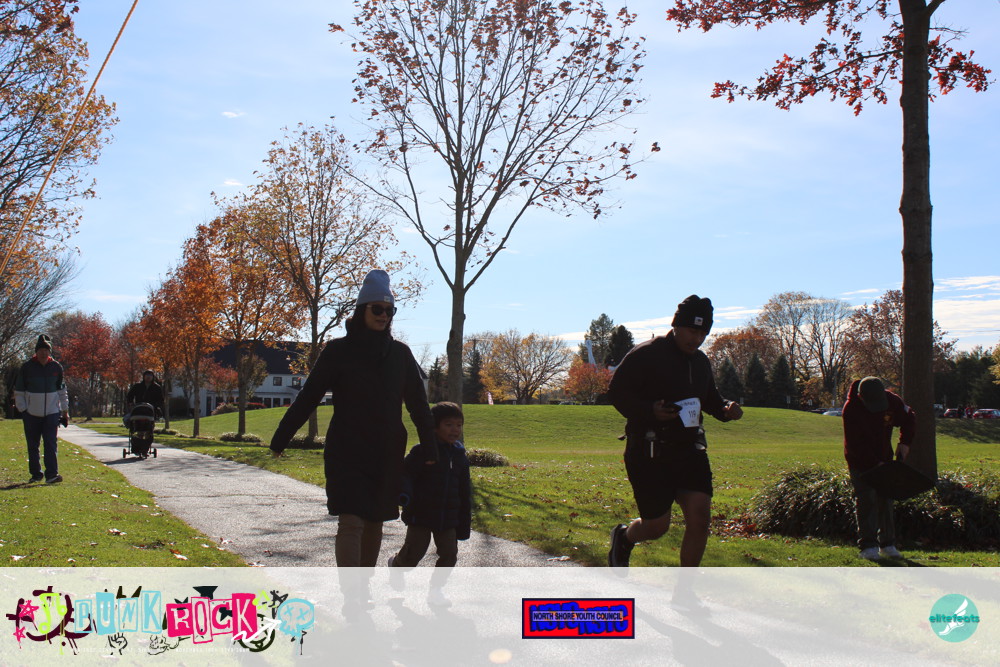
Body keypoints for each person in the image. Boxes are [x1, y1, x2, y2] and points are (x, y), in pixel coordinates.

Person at [269, 270, 437, 571]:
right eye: (377, 309)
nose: (384, 315)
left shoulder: (400, 354)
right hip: (347, 449)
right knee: (351, 520)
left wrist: (430, 448)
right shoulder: (338, 351)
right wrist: (281, 438)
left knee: (374, 521)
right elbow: (309, 396)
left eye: (389, 310)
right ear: (361, 310)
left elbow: (418, 405)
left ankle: (363, 589)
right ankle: (351, 591)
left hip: (386, 451)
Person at [606, 295, 743, 568]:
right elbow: (617, 393)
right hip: (650, 451)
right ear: (676, 326)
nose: (697, 339)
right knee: (656, 527)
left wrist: (726, 409)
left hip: (690, 450)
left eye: (703, 333)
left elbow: (710, 398)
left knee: (700, 518)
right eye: (692, 331)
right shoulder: (647, 353)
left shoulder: (700, 361)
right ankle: (624, 537)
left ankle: (685, 588)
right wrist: (649, 410)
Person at [388, 401, 472, 606]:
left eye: (458, 425)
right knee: (413, 554)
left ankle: (436, 590)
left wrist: (464, 521)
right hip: (421, 514)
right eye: (448, 425)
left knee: (449, 555)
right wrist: (404, 496)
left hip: (448, 517)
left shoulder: (460, 456)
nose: (455, 430)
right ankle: (397, 565)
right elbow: (405, 475)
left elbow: (464, 490)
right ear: (435, 427)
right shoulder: (422, 452)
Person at [842, 376, 915, 561]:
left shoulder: (892, 401)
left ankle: (888, 544)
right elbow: (855, 445)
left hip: (884, 457)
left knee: (886, 499)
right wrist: (875, 464)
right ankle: (868, 546)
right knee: (866, 499)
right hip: (859, 461)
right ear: (861, 397)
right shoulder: (851, 409)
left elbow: (909, 418)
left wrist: (905, 443)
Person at [13, 334, 69, 484]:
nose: (43, 353)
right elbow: (19, 391)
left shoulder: (56, 367)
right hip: (31, 414)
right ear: (36, 352)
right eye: (41, 350)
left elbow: (62, 391)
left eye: (46, 350)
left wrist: (65, 411)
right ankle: (36, 474)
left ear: (49, 352)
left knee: (50, 443)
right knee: (33, 445)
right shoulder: (27, 368)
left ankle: (52, 475)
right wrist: (23, 409)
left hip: (51, 413)